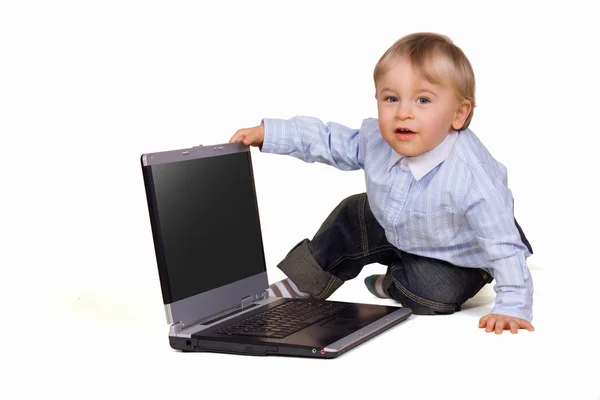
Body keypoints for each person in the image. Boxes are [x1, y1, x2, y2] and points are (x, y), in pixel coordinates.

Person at [229, 32, 535, 334]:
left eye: (423, 100)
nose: (403, 112)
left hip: (458, 257)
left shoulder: (472, 175)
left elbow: (503, 243)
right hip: (396, 226)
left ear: (458, 113)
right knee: (353, 213)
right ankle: (302, 284)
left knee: (433, 294)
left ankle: (393, 282)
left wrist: (512, 305)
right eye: (391, 98)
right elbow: (328, 140)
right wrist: (269, 134)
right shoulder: (376, 139)